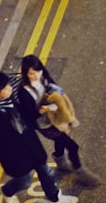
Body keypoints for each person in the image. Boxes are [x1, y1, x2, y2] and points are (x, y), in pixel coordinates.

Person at [0, 71, 77, 203]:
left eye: (9, 85)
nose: (10, 88)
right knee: (24, 181)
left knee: (45, 170)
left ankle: (55, 197)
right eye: (6, 88)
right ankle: (6, 191)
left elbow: (24, 113)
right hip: (12, 154)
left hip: (30, 143)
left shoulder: (10, 97)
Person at [18, 54, 100, 187]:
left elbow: (56, 90)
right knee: (73, 146)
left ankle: (61, 163)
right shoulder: (24, 92)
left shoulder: (44, 78)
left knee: (60, 139)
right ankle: (81, 172)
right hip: (44, 125)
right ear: (26, 74)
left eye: (38, 71)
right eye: (32, 74)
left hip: (55, 117)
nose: (37, 76)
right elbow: (29, 116)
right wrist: (42, 110)